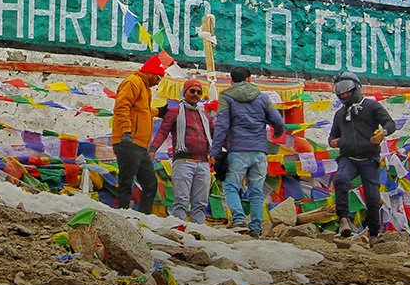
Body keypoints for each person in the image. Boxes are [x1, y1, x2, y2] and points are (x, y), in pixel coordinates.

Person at [210, 66, 285, 238]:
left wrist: (215, 151)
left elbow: (222, 126)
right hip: (259, 151)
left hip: (237, 150)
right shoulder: (262, 97)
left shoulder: (226, 97)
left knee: (231, 186)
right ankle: (256, 227)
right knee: (256, 191)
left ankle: (238, 220)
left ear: (231, 80)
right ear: (250, 79)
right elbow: (278, 121)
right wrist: (278, 133)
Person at [329, 71, 395, 245]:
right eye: (341, 94)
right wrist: (334, 142)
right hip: (348, 157)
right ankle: (343, 218)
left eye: (347, 92)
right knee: (341, 180)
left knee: (372, 197)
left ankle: (374, 234)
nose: (344, 95)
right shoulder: (339, 114)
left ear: (356, 89)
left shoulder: (372, 107)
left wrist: (383, 132)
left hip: (369, 158)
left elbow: (390, 123)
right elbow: (332, 137)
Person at [149, 78, 214, 224]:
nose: (195, 94)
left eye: (199, 92)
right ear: (184, 92)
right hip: (183, 162)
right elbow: (163, 132)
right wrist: (153, 149)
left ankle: (198, 229)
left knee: (201, 202)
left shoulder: (205, 116)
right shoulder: (174, 112)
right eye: (192, 91)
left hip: (203, 163)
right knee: (181, 200)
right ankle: (179, 228)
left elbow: (216, 136)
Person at [112, 54, 167, 213]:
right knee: (126, 182)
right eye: (158, 78)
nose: (158, 82)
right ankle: (122, 214)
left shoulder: (144, 87)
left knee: (150, 184)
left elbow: (141, 111)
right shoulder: (133, 82)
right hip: (128, 141)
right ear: (150, 73)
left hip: (141, 145)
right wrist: (126, 131)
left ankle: (145, 217)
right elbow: (122, 107)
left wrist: (158, 112)